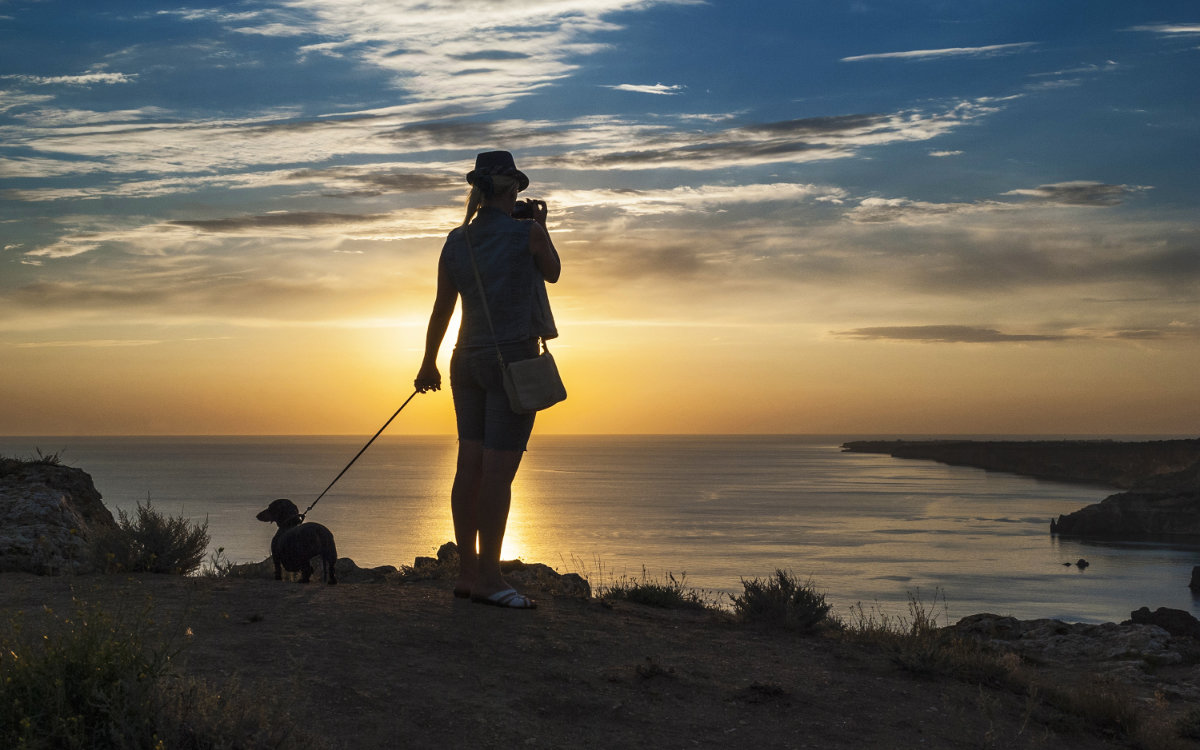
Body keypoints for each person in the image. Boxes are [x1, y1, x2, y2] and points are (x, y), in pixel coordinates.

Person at [414, 151, 561, 609]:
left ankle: (467, 573)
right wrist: (541, 224)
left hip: (465, 360)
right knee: (498, 473)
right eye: (516, 184)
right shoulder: (527, 232)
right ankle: (492, 580)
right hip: (512, 361)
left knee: (469, 468)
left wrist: (427, 363)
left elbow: (442, 309)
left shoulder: (456, 241)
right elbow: (553, 271)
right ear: (509, 189)